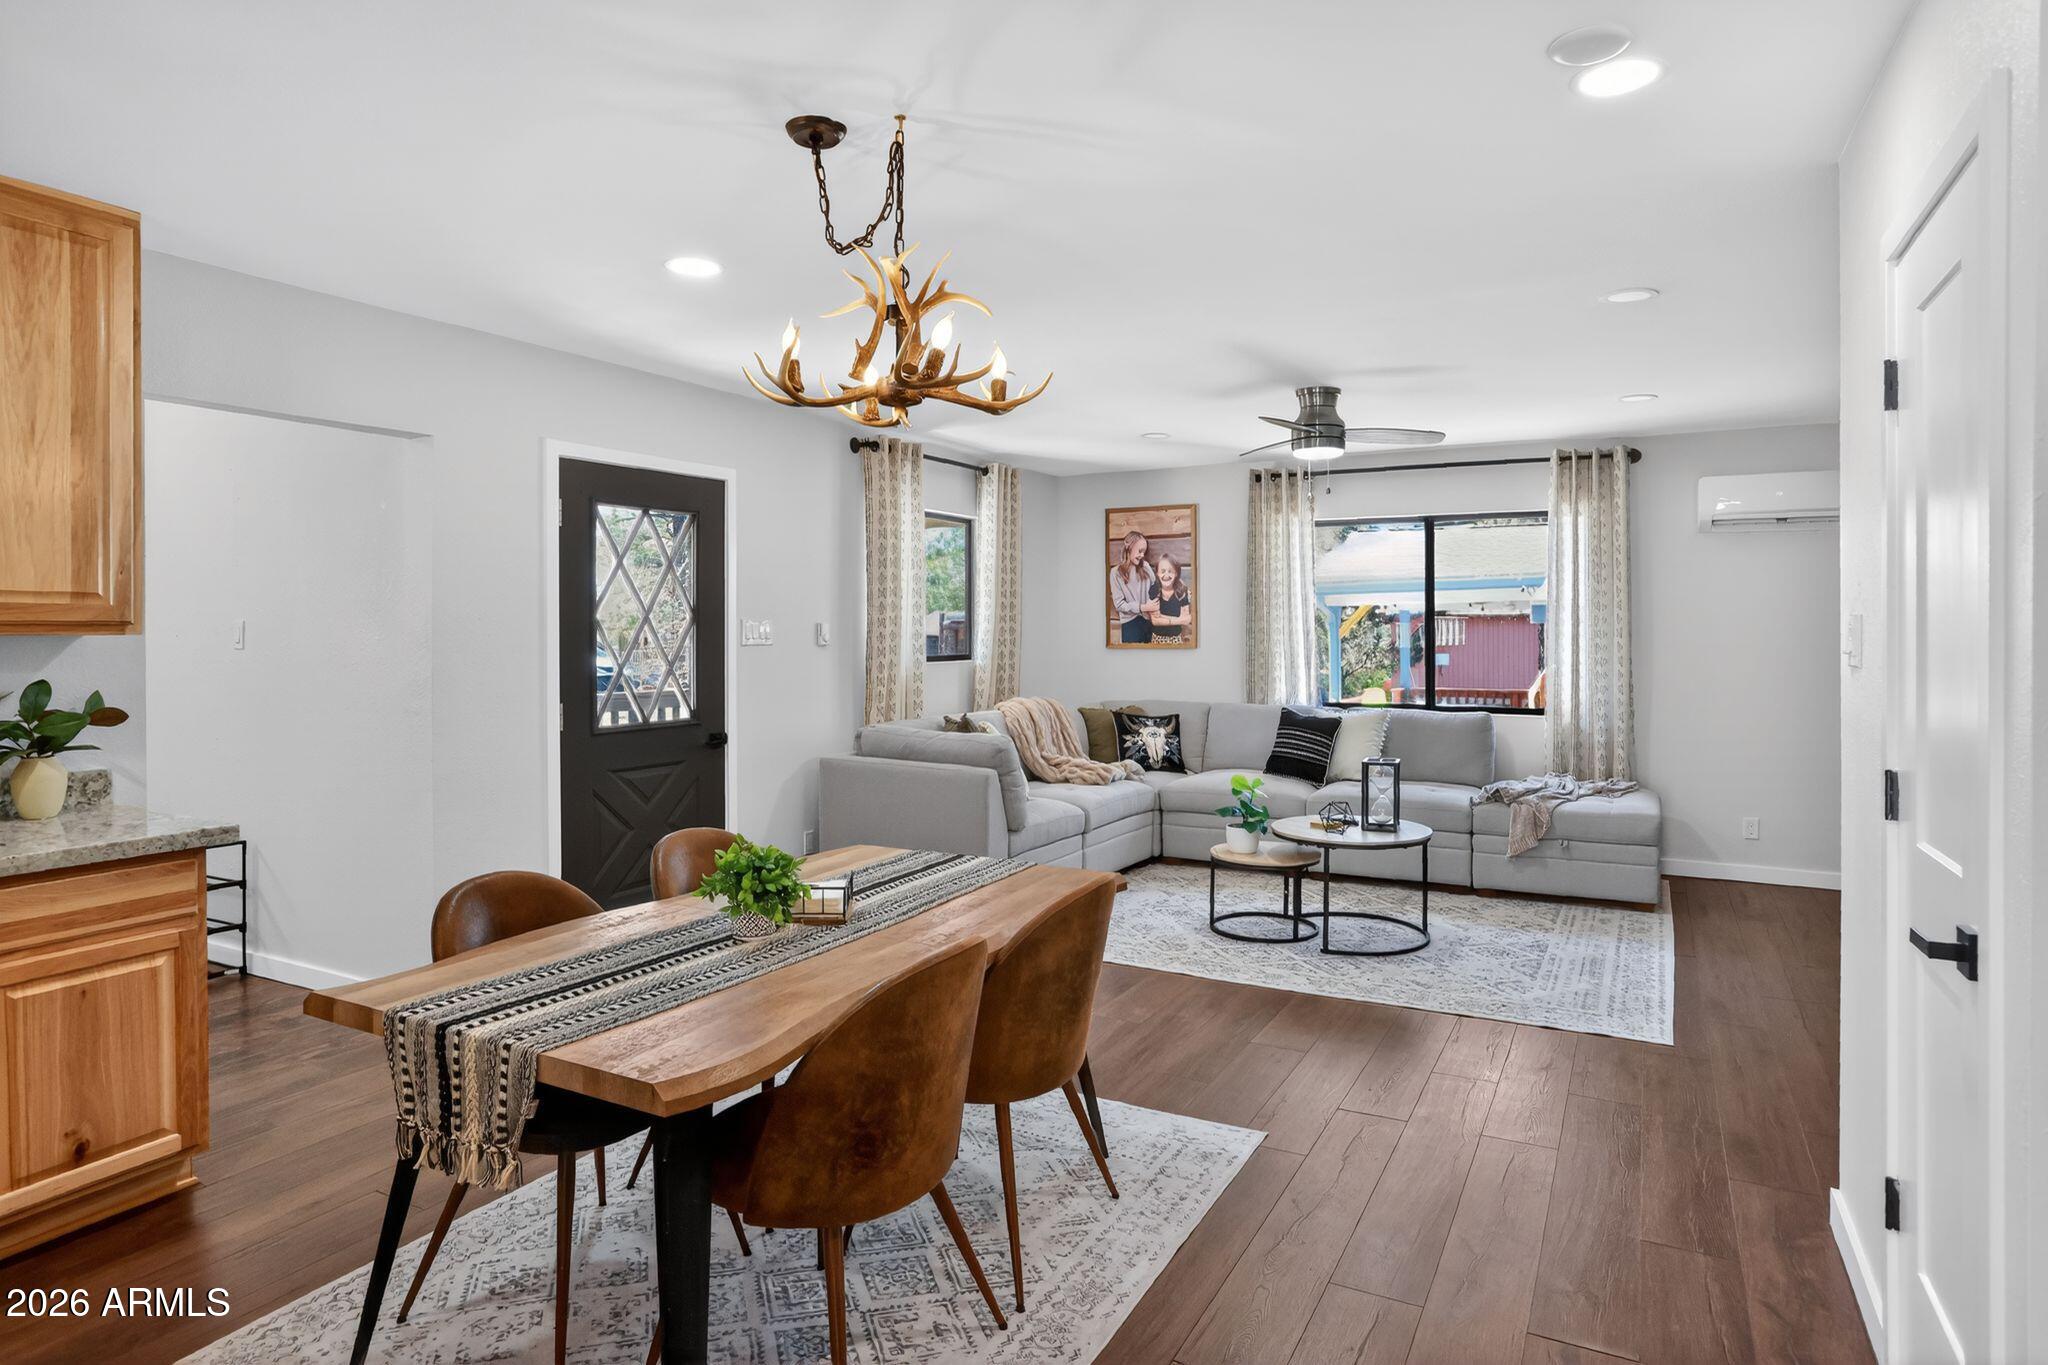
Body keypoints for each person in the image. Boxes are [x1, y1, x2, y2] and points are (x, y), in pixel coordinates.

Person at [1109, 529, 1156, 643]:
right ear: (1129, 547)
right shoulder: (1116, 573)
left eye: (1144, 552)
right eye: (1140, 551)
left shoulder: (1145, 567)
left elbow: (1155, 587)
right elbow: (1119, 604)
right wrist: (1141, 607)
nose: (1142, 555)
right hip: (1130, 624)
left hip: (1148, 622)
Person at [1147, 553, 1192, 641]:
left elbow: (1187, 620)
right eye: (1163, 571)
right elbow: (1155, 621)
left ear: (1176, 573)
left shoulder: (1182, 590)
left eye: (1170, 571)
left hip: (1176, 639)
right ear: (1157, 573)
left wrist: (1162, 617)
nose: (1166, 575)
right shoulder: (1154, 590)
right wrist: (1179, 620)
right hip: (1157, 639)